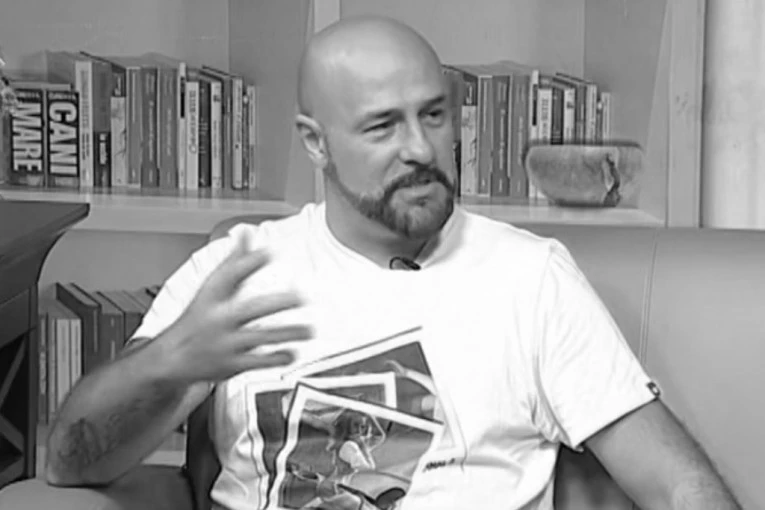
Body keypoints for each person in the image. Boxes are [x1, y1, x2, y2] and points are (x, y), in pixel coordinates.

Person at [44, 14, 741, 510]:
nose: (420, 149)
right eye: (382, 126)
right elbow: (72, 462)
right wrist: (169, 363)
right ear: (315, 143)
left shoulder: (530, 278)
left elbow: (677, 485)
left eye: (433, 115)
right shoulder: (236, 272)